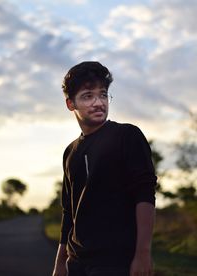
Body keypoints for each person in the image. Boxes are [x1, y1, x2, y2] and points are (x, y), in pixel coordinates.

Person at [52, 61, 157, 276]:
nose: (99, 102)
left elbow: (145, 195)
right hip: (77, 262)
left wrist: (143, 254)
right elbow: (68, 211)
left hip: (116, 262)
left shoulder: (127, 136)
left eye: (103, 94)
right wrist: (60, 263)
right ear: (70, 104)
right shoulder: (70, 152)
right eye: (88, 96)